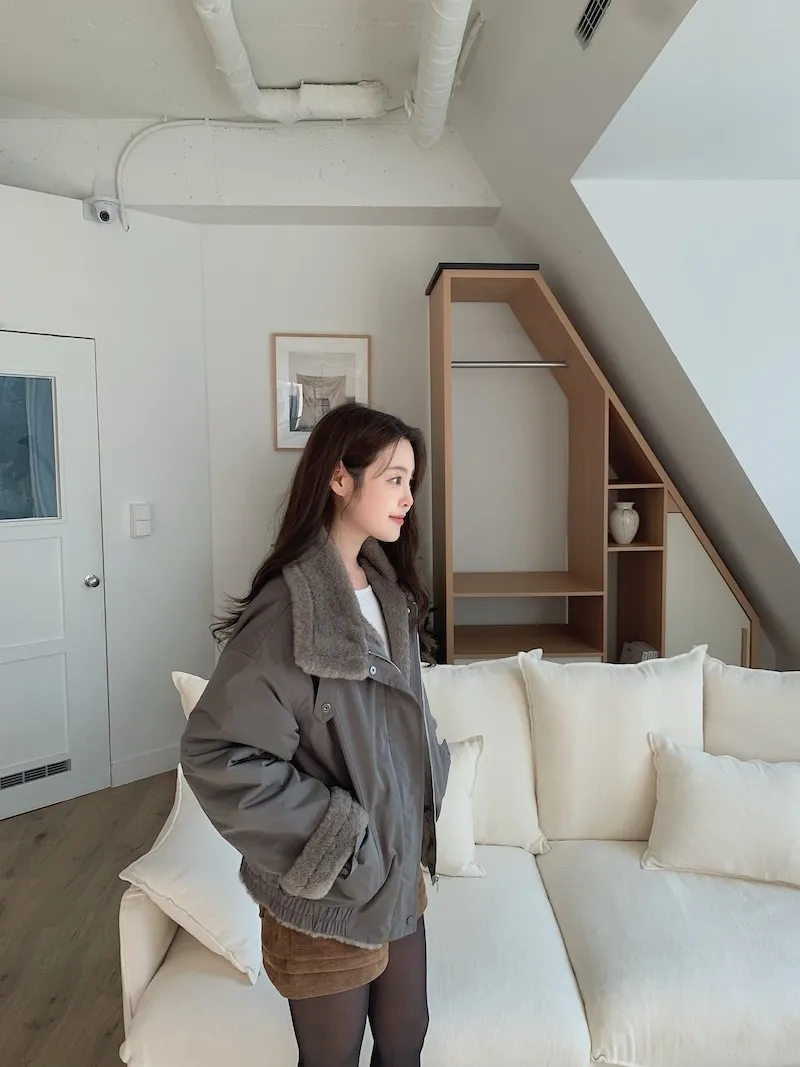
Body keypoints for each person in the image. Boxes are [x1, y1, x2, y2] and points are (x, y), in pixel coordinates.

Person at [180, 402, 450, 1067]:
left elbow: (400, 714)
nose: (408, 498)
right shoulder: (288, 613)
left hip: (398, 874)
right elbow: (218, 753)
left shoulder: (388, 592)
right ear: (338, 479)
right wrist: (341, 845)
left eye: (411, 481)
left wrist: (428, 771)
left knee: (406, 1040)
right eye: (394, 479)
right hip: (330, 893)